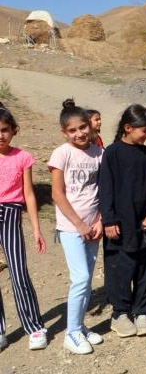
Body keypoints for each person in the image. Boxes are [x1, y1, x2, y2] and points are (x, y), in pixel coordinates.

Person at [98, 104, 146, 338]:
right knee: (119, 268)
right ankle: (120, 313)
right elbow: (106, 188)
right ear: (128, 128)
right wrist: (109, 219)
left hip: (144, 222)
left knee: (144, 267)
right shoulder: (112, 153)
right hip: (119, 223)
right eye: (144, 130)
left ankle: (142, 311)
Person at [49, 99, 104, 354]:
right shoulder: (62, 153)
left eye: (83, 127)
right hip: (71, 227)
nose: (79, 133)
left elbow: (104, 190)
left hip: (94, 226)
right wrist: (79, 224)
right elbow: (57, 194)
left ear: (90, 127)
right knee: (80, 278)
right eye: (73, 130)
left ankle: (80, 326)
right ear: (64, 133)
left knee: (87, 279)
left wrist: (100, 221)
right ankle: (71, 333)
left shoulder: (98, 153)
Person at [0, 108, 47, 352]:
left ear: (13, 131)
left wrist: (36, 229)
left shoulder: (22, 157)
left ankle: (34, 326)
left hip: (10, 215)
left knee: (18, 273)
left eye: (4, 130)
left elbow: (29, 194)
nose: (0, 135)